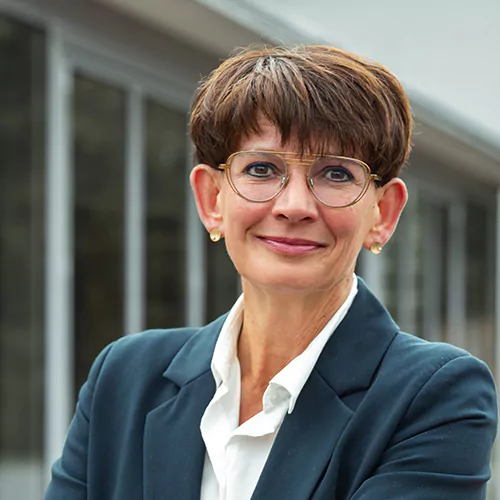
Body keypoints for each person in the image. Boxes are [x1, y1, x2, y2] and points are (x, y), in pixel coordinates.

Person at [45, 45, 497, 500]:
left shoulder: (435, 397)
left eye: (336, 174)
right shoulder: (125, 379)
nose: (294, 207)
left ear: (383, 212)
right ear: (211, 200)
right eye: (261, 169)